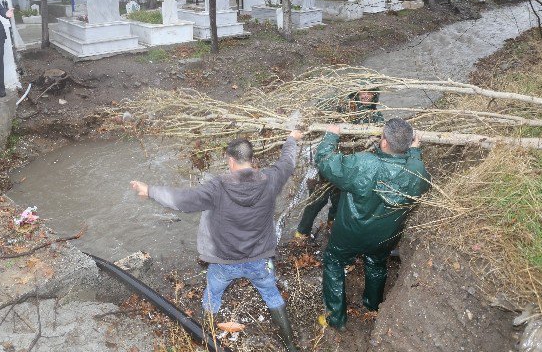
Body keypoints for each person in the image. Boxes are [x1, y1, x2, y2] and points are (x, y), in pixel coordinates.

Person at [130, 131, 303, 352]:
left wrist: (150, 190)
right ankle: (290, 346)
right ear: (252, 160)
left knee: (212, 295)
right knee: (271, 294)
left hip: (224, 261)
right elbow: (287, 162)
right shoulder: (270, 180)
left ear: (231, 161)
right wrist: (291, 139)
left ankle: (203, 337)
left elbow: (183, 200)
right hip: (260, 259)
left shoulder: (217, 187)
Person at [316, 118, 430, 330]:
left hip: (350, 233)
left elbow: (325, 163)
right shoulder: (417, 173)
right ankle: (372, 306)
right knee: (377, 263)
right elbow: (418, 173)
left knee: (333, 261)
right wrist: (414, 152)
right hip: (385, 237)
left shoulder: (363, 163)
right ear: (409, 144)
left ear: (384, 142)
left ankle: (336, 319)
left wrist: (331, 136)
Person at [295, 89, 384, 239]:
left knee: (340, 200)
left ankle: (332, 225)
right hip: (330, 160)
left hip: (347, 166)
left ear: (375, 95)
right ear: (357, 94)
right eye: (363, 93)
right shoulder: (344, 107)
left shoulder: (376, 116)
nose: (366, 96)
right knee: (317, 200)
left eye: (370, 93)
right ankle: (301, 233)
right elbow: (323, 113)